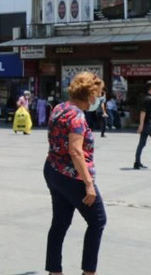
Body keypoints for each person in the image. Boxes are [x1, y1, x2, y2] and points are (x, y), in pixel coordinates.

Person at [43, 72, 107, 275]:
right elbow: (76, 151)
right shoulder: (77, 116)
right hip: (73, 176)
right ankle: (89, 272)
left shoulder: (60, 108)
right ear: (89, 94)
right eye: (97, 93)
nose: (97, 98)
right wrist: (88, 183)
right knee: (98, 220)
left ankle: (54, 271)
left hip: (53, 170)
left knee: (60, 222)